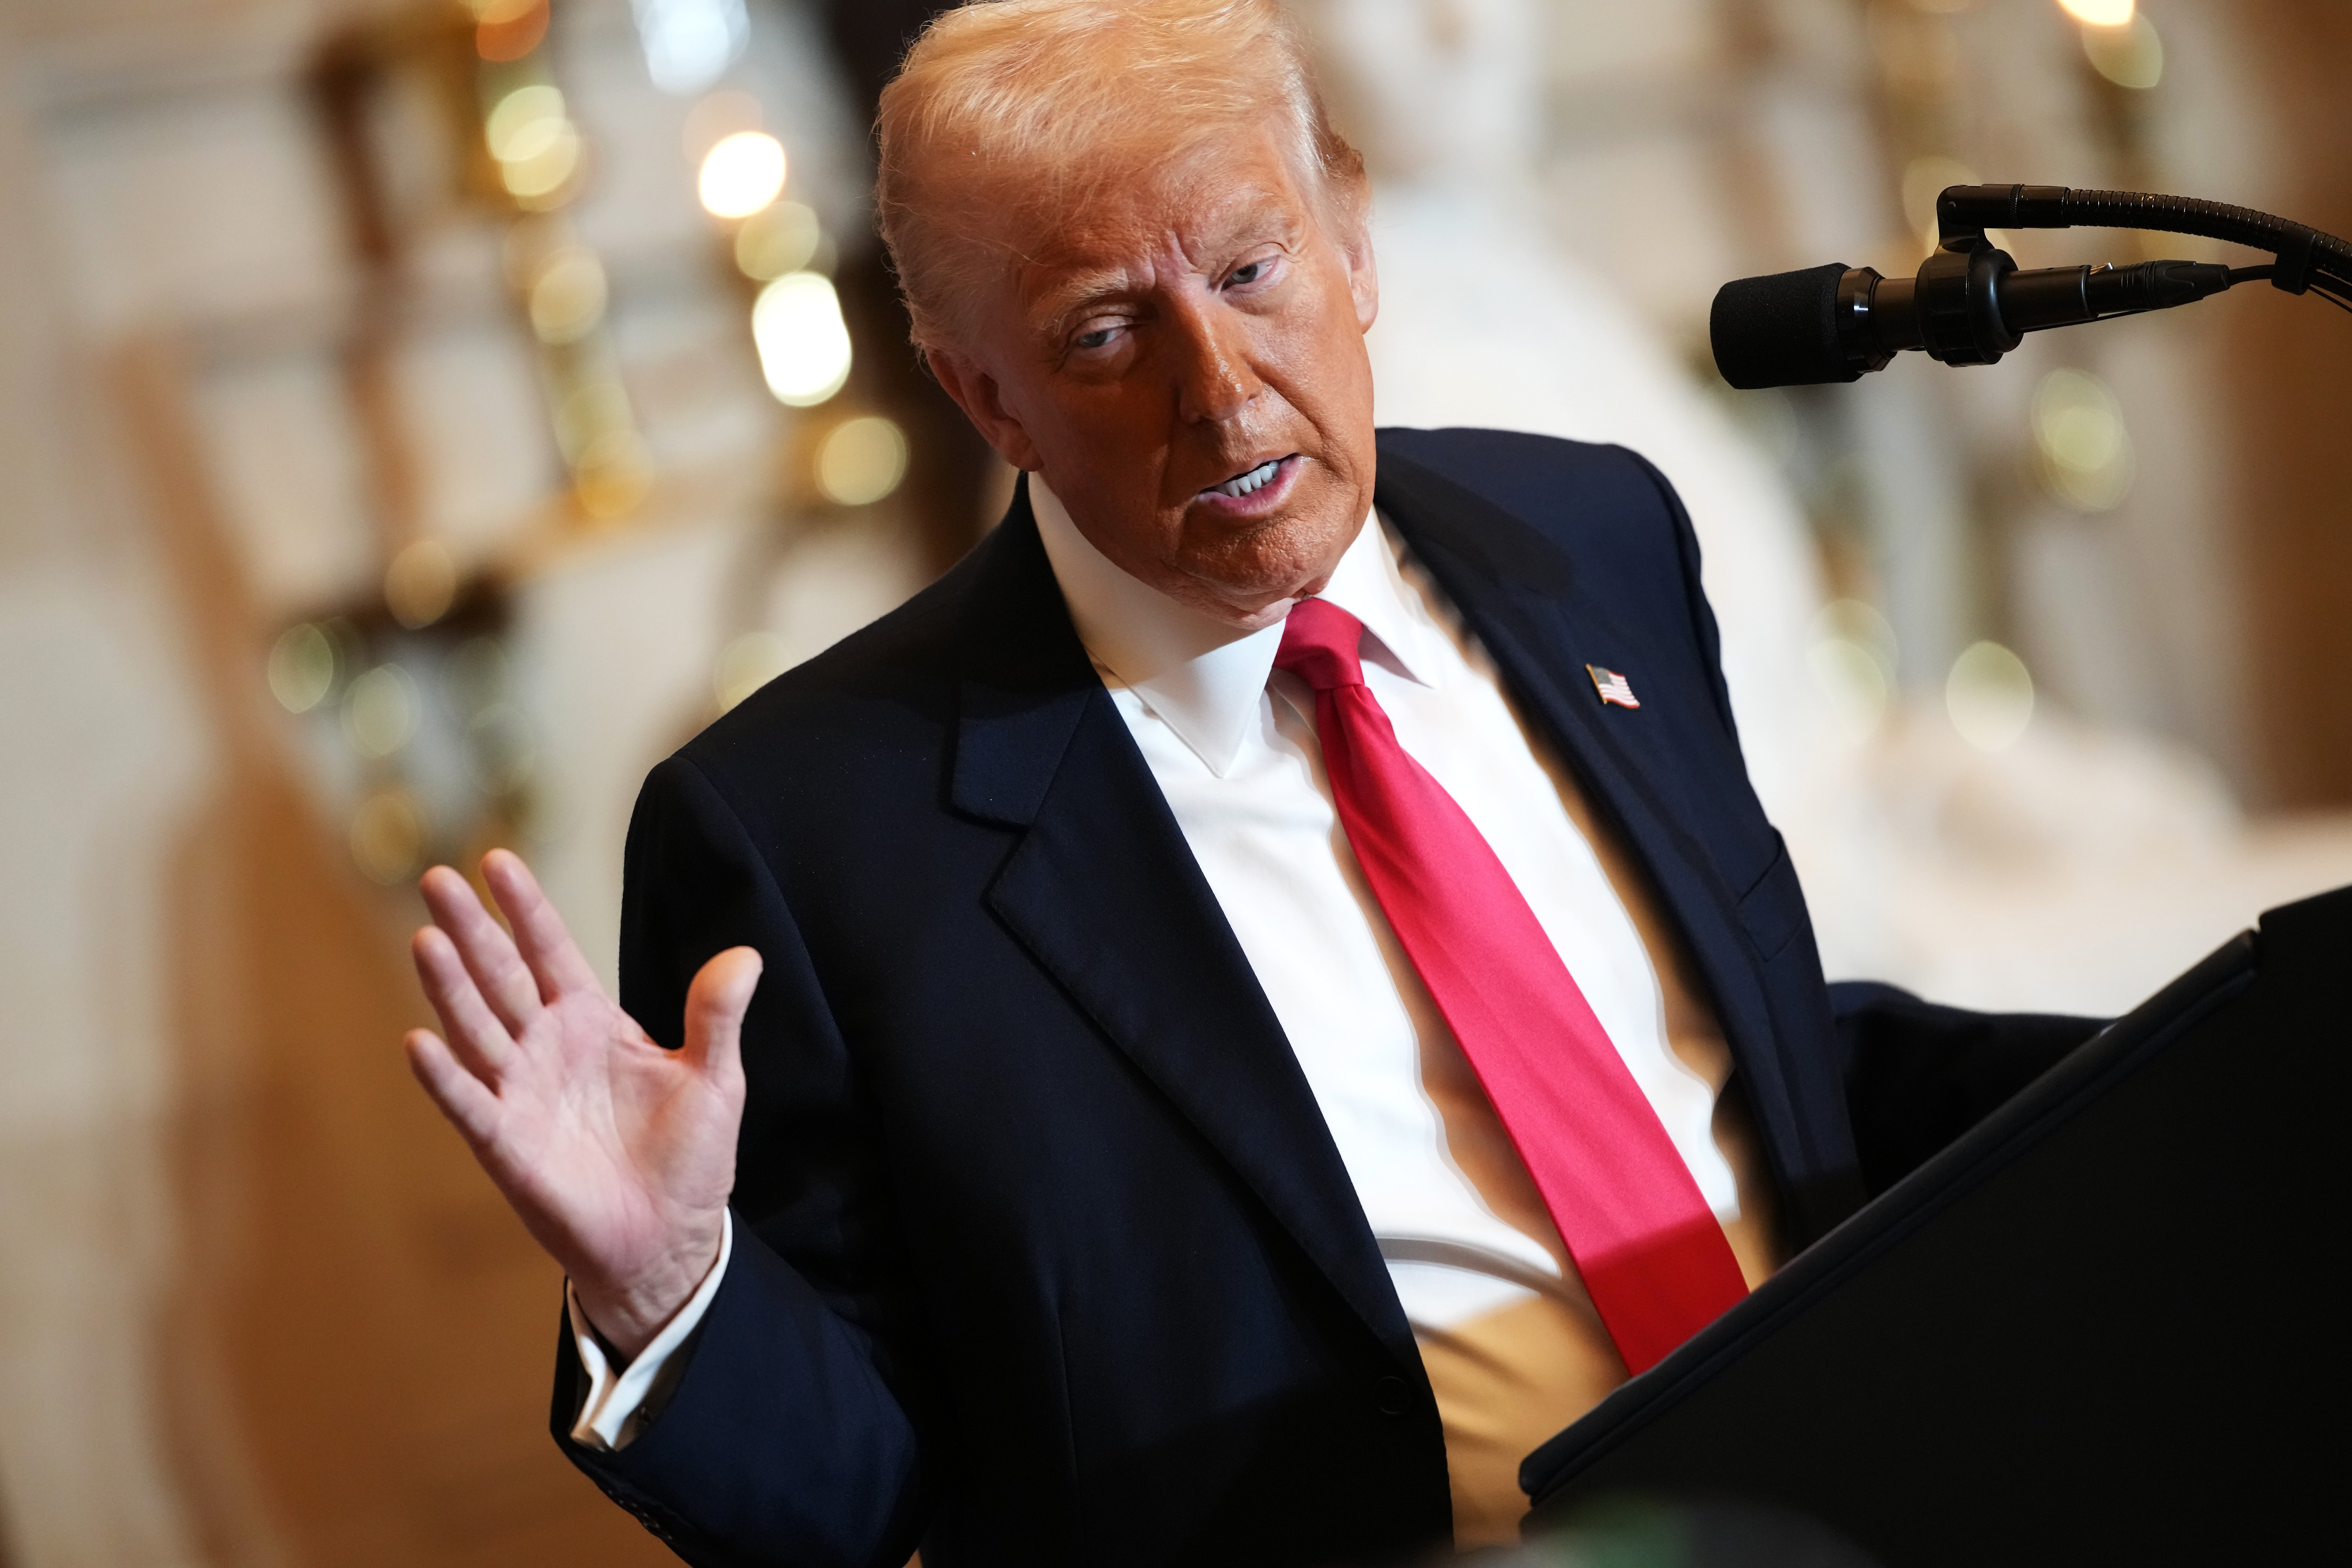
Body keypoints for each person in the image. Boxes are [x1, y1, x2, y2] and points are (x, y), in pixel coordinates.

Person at [402, 2, 2093, 1562]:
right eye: (1103, 332)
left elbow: (1740, 1053)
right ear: (980, 391)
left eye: (1251, 268)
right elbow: (861, 1501)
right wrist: (671, 1287)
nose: (1215, 394)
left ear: (1349, 234)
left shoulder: (1592, 532)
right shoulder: (814, 837)